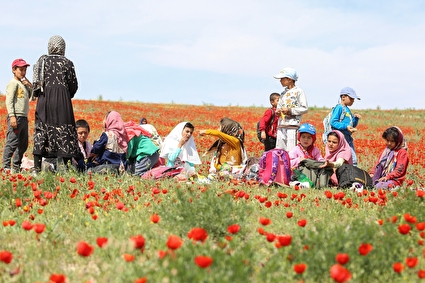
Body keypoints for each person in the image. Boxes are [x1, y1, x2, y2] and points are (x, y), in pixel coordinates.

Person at [32, 35, 81, 172]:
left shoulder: (42, 61)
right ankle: (65, 168)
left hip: (44, 100)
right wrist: (65, 94)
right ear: (63, 47)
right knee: (64, 131)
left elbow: (36, 85)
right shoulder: (68, 63)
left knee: (42, 130)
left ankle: (36, 168)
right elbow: (73, 85)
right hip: (62, 103)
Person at [3, 58, 33, 172]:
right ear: (14, 70)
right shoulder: (13, 83)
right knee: (12, 142)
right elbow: (9, 100)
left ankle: (16, 165)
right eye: (21, 69)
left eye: (25, 70)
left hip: (24, 117)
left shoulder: (23, 84)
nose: (23, 72)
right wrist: (12, 116)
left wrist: (29, 85)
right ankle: (6, 166)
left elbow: (32, 97)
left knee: (23, 144)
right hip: (16, 116)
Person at [273, 67, 308, 151]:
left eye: (282, 78)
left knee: (291, 150)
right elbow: (279, 107)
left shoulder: (299, 91)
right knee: (280, 149)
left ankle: (291, 164)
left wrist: (290, 110)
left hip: (293, 126)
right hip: (281, 125)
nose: (280, 80)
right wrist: (278, 111)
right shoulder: (283, 93)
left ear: (289, 79)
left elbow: (305, 108)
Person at [329, 87, 362, 166]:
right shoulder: (339, 108)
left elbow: (351, 125)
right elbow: (333, 122)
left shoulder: (347, 110)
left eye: (353, 99)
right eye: (351, 98)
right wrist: (345, 127)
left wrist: (355, 119)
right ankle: (352, 175)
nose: (353, 101)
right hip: (340, 138)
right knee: (351, 160)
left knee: (349, 159)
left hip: (347, 138)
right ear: (343, 97)